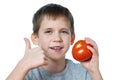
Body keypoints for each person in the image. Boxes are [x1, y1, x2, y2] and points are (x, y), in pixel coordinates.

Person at [6, 3, 103, 80]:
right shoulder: (27, 73)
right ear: (36, 38)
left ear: (72, 39)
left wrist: (94, 71)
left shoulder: (82, 72)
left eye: (63, 32)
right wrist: (23, 65)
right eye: (48, 32)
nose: (57, 38)